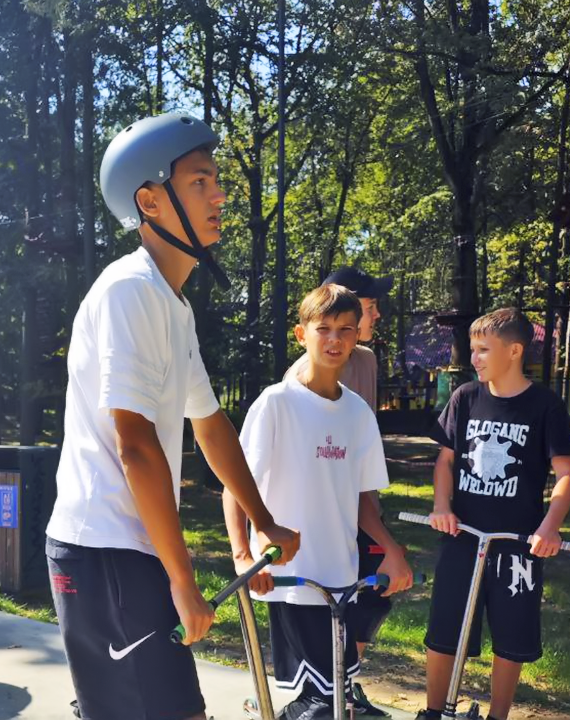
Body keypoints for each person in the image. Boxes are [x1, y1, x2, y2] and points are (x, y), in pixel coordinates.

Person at [45, 113, 301, 720]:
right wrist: (182, 579)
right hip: (103, 548)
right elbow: (134, 446)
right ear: (150, 201)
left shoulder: (171, 304)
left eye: (216, 181)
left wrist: (261, 520)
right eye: (199, 182)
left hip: (128, 551)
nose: (219, 195)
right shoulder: (129, 291)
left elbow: (210, 426)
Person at [227, 284, 413, 720]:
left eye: (346, 329)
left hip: (340, 577)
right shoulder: (277, 402)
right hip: (287, 578)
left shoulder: (358, 413)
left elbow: (363, 497)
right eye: (323, 328)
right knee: (321, 706)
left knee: (332, 702)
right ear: (301, 334)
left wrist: (391, 550)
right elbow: (237, 485)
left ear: (358, 336)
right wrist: (241, 556)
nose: (334, 339)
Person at [418, 308, 570, 720]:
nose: (474, 358)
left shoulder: (545, 406)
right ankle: (434, 711)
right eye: (473, 349)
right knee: (444, 631)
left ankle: (498, 715)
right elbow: (445, 462)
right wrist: (441, 507)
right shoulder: (466, 398)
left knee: (512, 636)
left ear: (514, 351)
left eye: (483, 350)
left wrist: (549, 528)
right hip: (462, 537)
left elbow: (566, 473)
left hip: (517, 544)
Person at [284, 266, 395, 717]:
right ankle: (322, 694)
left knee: (371, 598)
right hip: (319, 521)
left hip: (360, 502)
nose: (377, 314)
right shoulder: (297, 381)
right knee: (333, 610)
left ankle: (345, 685)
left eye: (355, 322)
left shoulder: (365, 360)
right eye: (371, 305)